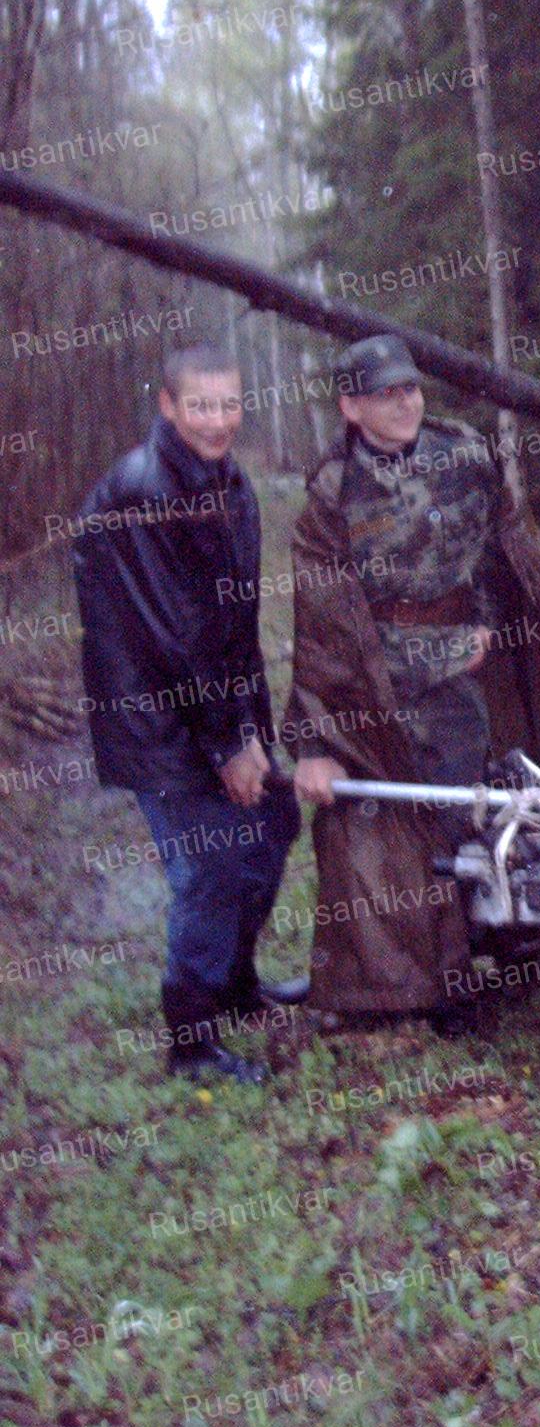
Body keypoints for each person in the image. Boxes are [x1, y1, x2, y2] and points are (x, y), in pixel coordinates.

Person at [286, 334, 540, 1025]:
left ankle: (506, 949)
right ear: (351, 407)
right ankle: (417, 984)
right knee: (393, 834)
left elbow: (502, 551)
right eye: (385, 395)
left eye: (411, 390)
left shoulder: (464, 455)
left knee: (476, 814)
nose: (405, 404)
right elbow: (320, 625)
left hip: (465, 676)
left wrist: (484, 624)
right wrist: (316, 739)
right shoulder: (333, 493)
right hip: (379, 685)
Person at [73, 345, 304, 1088]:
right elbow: (177, 635)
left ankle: (235, 984)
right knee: (209, 866)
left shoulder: (228, 480)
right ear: (168, 406)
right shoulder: (143, 490)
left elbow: (230, 622)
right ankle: (193, 1043)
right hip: (158, 723)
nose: (217, 420)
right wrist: (227, 744)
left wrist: (250, 731)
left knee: (271, 826)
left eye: (229, 403)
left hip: (218, 709)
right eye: (200, 405)